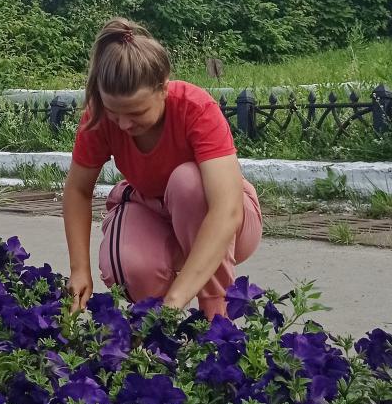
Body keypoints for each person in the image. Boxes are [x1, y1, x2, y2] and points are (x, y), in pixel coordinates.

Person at [63, 18, 262, 319]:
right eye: (116, 114)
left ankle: (218, 323)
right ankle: (153, 333)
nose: (125, 125)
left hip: (228, 222)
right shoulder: (99, 116)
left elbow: (227, 210)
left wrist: (176, 298)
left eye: (137, 112)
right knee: (127, 263)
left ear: (164, 87)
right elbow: (78, 190)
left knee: (187, 181)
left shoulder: (195, 109)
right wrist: (79, 270)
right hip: (155, 213)